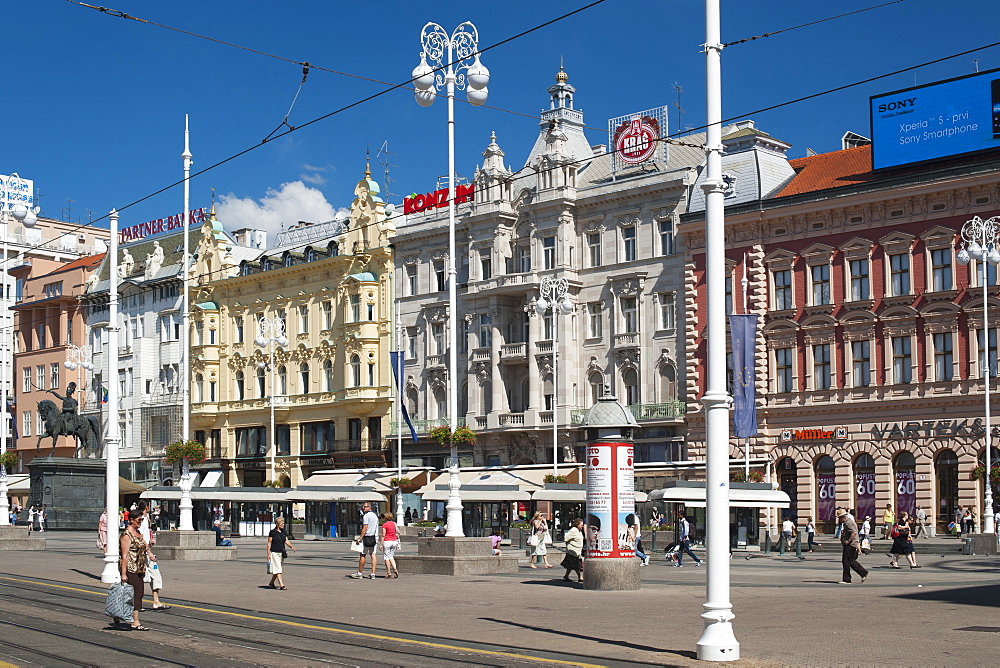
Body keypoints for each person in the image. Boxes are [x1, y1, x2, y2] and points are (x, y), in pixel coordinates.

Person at [119, 510, 151, 630]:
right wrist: (123, 573)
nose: (140, 522)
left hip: (140, 567)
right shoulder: (127, 535)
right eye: (138, 520)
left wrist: (150, 550)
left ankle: (119, 613)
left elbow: (144, 547)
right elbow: (124, 555)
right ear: (131, 520)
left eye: (142, 520)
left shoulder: (138, 533)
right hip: (130, 568)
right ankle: (135, 621)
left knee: (139, 593)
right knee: (137, 593)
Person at [137, 500, 170, 611]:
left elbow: (145, 536)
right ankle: (137, 603)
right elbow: (140, 537)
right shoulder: (140, 519)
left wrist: (150, 541)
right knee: (139, 578)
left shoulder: (146, 518)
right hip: (143, 553)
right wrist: (149, 552)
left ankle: (156, 601)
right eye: (149, 505)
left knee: (155, 575)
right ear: (147, 506)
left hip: (147, 550)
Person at [836, 507, 868, 584]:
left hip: (850, 545)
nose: (839, 520)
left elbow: (853, 532)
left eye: (839, 518)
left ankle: (847, 579)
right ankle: (862, 573)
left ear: (842, 517)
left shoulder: (848, 523)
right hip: (853, 544)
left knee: (846, 561)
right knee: (850, 561)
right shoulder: (849, 522)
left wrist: (848, 541)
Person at [350, 502, 379, 579]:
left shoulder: (366, 516)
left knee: (363, 554)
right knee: (373, 555)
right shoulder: (375, 516)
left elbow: (365, 527)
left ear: (369, 507)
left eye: (365, 507)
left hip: (367, 537)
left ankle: (359, 573)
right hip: (374, 537)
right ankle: (373, 574)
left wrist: (360, 538)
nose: (363, 508)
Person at [266, 516, 296, 589]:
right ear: (277, 524)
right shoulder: (272, 532)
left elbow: (286, 541)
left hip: (281, 553)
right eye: (282, 523)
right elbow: (269, 543)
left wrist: (292, 547)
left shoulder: (283, 532)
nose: (283, 525)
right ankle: (281, 585)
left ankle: (271, 582)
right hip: (274, 553)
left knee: (277, 569)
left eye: (283, 523)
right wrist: (268, 553)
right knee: (278, 569)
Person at [560, 517, 584, 582]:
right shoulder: (573, 530)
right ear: (577, 524)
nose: (582, 526)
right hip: (572, 550)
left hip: (577, 551)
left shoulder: (579, 531)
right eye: (581, 524)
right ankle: (580, 577)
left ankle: (566, 576)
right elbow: (566, 537)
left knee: (570, 565)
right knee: (576, 565)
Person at [380, 513, 400, 579]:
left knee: (386, 557)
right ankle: (395, 569)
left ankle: (389, 573)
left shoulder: (384, 525)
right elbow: (398, 532)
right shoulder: (394, 524)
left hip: (387, 541)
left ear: (385, 518)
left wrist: (380, 544)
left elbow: (383, 535)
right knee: (391, 556)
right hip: (394, 541)